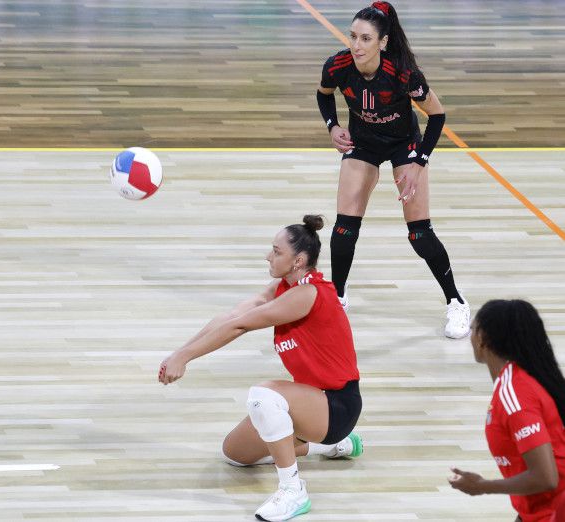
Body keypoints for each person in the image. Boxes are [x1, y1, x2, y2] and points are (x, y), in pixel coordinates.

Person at [159, 215, 363, 521]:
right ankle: (333, 448)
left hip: (337, 405)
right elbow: (231, 316)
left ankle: (293, 492)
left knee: (263, 396)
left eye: (276, 251)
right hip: (310, 401)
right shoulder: (282, 287)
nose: (268, 255)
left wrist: (186, 358)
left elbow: (240, 326)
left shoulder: (308, 294)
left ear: (299, 260)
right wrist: (179, 352)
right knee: (234, 454)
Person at [315, 1, 470, 338]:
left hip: (404, 145)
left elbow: (438, 116)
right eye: (353, 36)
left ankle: (456, 302)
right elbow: (324, 94)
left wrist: (418, 162)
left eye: (366, 39)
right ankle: (336, 299)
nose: (357, 45)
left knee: (419, 233)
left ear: (382, 42)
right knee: (344, 228)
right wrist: (333, 126)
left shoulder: (403, 73)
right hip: (364, 143)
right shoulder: (338, 65)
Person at [449, 300, 565, 521]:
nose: (470, 336)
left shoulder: (514, 394)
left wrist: (483, 486)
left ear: (482, 339)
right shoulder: (517, 382)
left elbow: (545, 477)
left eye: (472, 329)